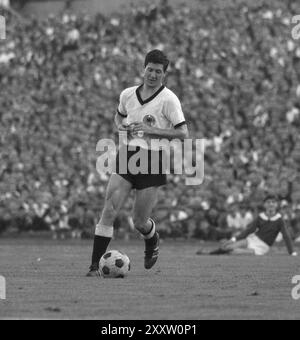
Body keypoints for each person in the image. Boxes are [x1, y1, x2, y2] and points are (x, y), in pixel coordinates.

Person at [87, 50, 189, 276]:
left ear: (164, 74)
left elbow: (183, 133)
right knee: (109, 210)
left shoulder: (169, 99)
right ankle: (94, 267)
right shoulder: (128, 94)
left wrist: (151, 130)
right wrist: (120, 127)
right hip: (128, 154)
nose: (153, 75)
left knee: (139, 222)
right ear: (144, 69)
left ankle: (152, 239)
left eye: (158, 72)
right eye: (150, 70)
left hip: (153, 159)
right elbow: (118, 116)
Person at [196, 195, 298, 256]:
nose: (271, 204)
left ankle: (211, 253)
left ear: (276, 205)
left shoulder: (279, 220)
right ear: (265, 205)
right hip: (252, 239)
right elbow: (248, 231)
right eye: (268, 202)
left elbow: (286, 236)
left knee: (235, 252)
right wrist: (233, 239)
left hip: (262, 247)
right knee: (228, 246)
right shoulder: (260, 216)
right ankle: (208, 253)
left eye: (273, 202)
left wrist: (292, 252)